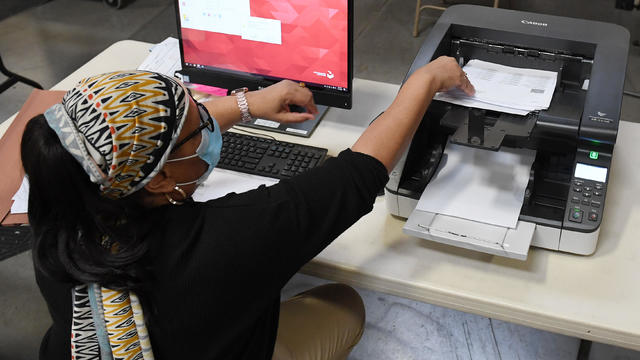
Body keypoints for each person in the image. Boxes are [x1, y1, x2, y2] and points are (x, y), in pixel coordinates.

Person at [21, 56, 474, 360]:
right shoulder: (228, 240)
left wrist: (248, 103)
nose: (208, 128)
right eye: (200, 129)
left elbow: (157, 141)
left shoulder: (61, 204)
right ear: (156, 179)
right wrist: (426, 79)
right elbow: (360, 171)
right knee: (345, 303)